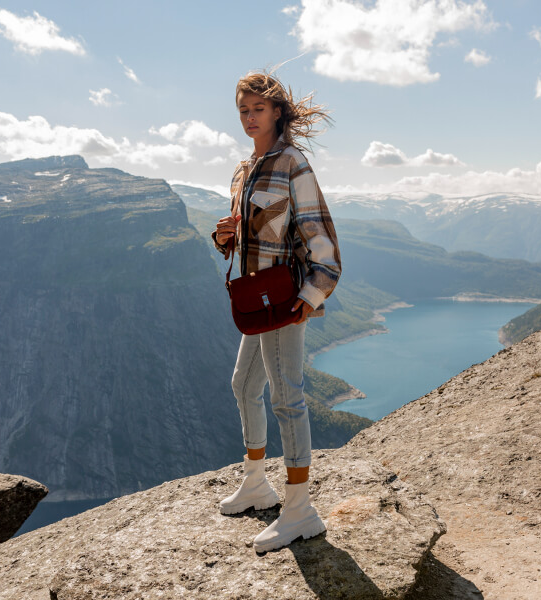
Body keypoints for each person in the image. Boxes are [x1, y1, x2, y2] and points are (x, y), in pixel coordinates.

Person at [211, 71, 341, 553]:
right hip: (254, 299)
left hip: (284, 303)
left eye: (257, 109)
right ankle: (255, 483)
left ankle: (300, 510)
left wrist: (311, 297)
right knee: (244, 386)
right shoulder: (245, 170)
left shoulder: (292, 165)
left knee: (288, 399)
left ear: (278, 111)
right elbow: (256, 236)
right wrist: (226, 235)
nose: (249, 118)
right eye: (243, 110)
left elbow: (320, 239)